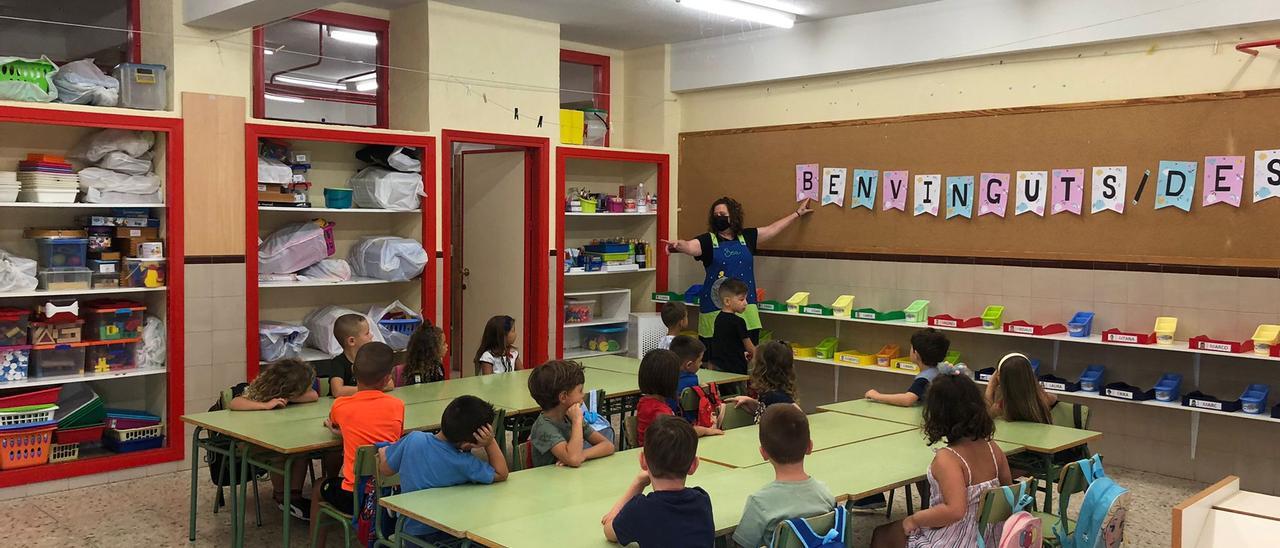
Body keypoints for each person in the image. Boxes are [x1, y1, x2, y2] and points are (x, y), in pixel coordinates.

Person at [871, 365, 1012, 548]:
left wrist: (915, 519)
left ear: (937, 413)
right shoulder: (992, 447)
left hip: (957, 540)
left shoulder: (948, 458)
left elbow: (954, 511)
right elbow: (1009, 489)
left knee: (882, 534)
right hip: (990, 536)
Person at [664, 197, 813, 343]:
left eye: (723, 215)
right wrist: (678, 245)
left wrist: (797, 213)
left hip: (746, 309)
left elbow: (772, 229)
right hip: (715, 309)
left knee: (746, 356)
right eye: (715, 215)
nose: (718, 218)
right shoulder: (708, 241)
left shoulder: (747, 237)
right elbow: (690, 246)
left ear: (733, 217)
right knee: (715, 360)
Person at [378, 395, 508, 542]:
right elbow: (501, 473)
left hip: (412, 534)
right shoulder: (464, 463)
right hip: (453, 535)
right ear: (467, 445)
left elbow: (386, 470)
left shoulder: (414, 439)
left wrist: (384, 453)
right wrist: (490, 442)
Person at [311, 341, 405, 544]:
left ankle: (315, 544)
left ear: (353, 372)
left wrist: (339, 430)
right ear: (388, 379)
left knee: (319, 486)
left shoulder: (341, 405)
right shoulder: (397, 405)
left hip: (355, 496)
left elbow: (335, 422)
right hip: (390, 492)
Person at [227, 358, 320, 520]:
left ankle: (294, 496)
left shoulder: (287, 395)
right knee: (280, 456)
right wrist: (264, 405)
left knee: (301, 453)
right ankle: (281, 495)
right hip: (255, 443)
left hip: (285, 437)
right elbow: (235, 403)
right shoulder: (257, 392)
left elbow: (313, 396)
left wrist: (289, 397)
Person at [602, 415, 713, 547]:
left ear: (643, 461)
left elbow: (609, 531)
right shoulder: (702, 500)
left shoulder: (640, 509)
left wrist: (638, 483)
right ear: (693, 465)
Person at [733, 405, 836, 548]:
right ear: (810, 447)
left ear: (763, 453)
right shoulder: (825, 494)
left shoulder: (759, 503)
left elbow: (742, 545)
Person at [527, 360, 615, 467]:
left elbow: (608, 446)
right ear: (563, 397)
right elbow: (574, 459)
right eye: (580, 391)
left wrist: (583, 454)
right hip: (550, 481)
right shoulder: (544, 427)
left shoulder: (569, 417)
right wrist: (577, 421)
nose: (583, 395)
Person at [635, 349, 723, 446]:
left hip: (654, 451)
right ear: (670, 380)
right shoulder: (661, 412)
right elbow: (682, 433)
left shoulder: (645, 401)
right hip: (660, 454)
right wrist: (706, 431)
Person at [866, 328, 951, 407]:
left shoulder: (924, 379)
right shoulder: (943, 369)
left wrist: (877, 396)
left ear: (916, 354)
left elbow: (907, 400)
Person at [724, 340, 799, 419]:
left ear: (761, 368)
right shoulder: (770, 394)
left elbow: (797, 413)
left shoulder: (774, 397)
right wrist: (753, 402)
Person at [985, 352, 1056, 423]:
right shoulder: (1042, 399)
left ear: (999, 377)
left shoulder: (999, 408)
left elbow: (985, 419)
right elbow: (1054, 398)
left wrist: (990, 387)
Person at [705, 278, 755, 374]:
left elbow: (725, 344)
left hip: (718, 366)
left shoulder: (718, 318)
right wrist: (760, 356)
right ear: (727, 301)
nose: (746, 303)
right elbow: (749, 347)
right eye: (741, 299)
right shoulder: (738, 322)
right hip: (735, 369)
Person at [326, 313, 378, 397]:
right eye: (367, 333)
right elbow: (337, 391)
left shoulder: (371, 359)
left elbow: (389, 383)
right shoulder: (338, 363)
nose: (371, 336)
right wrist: (372, 389)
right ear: (351, 341)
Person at [669, 335, 706, 422]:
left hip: (670, 420)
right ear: (689, 365)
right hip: (689, 423)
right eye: (700, 360)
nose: (701, 363)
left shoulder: (666, 377)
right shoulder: (692, 380)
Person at [398, 321, 446, 386]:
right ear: (431, 349)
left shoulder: (437, 366)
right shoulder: (417, 374)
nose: (446, 346)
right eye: (443, 344)